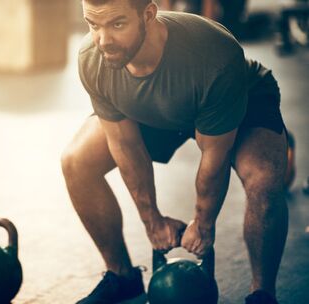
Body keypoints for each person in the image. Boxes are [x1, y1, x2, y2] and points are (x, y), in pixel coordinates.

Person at [61, 0, 288, 303]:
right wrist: (151, 220)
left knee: (265, 179)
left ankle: (262, 293)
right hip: (154, 108)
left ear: (149, 14)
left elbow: (214, 156)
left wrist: (203, 225)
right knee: (76, 162)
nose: (103, 40)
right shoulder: (94, 57)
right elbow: (125, 145)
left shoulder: (213, 56)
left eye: (117, 24)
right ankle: (123, 277)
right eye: (93, 24)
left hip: (236, 100)